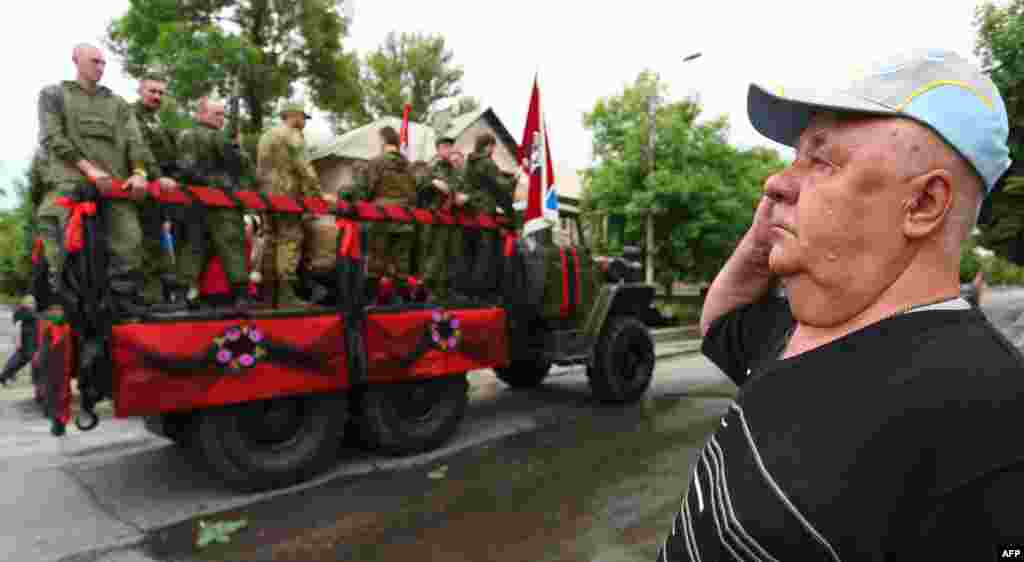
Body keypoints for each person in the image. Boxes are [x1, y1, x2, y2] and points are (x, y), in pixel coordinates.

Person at [657, 49, 1024, 561]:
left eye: (821, 159)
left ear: (922, 204)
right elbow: (720, 319)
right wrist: (773, 228)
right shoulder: (802, 328)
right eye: (794, 158)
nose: (776, 182)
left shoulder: (992, 420)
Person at [36, 43, 167, 316]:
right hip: (71, 185)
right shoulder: (54, 95)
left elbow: (135, 143)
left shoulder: (117, 104)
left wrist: (140, 173)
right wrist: (89, 169)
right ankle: (66, 308)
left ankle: (121, 307)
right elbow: (52, 137)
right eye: (95, 61)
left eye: (103, 63)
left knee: (130, 243)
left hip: (115, 187)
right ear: (76, 61)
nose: (100, 67)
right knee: (65, 248)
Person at [175, 96, 253, 308]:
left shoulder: (219, 137)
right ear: (201, 114)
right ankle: (184, 296)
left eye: (223, 114)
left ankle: (240, 296)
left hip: (216, 201)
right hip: (208, 201)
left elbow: (241, 166)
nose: (222, 118)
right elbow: (188, 167)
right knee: (199, 248)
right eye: (217, 114)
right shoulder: (191, 136)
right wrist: (217, 185)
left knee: (225, 248)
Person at [256, 102, 321, 307]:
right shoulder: (293, 135)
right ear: (294, 115)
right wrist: (316, 196)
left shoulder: (266, 136)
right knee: (290, 240)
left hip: (266, 197)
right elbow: (305, 168)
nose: (304, 123)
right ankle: (286, 296)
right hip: (287, 196)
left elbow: (260, 168)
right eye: (303, 118)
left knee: (270, 241)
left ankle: (268, 296)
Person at [133, 74, 183, 307]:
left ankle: (157, 296)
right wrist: (157, 176)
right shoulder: (132, 116)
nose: (157, 96)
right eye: (152, 91)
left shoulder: (157, 121)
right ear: (140, 91)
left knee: (157, 241)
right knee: (145, 244)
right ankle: (147, 299)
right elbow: (139, 150)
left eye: (161, 93)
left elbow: (169, 153)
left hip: (160, 194)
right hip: (142, 187)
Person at [353, 126, 419, 289]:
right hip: (405, 219)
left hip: (381, 218)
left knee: (376, 262)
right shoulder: (409, 166)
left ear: (383, 140)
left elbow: (364, 191)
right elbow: (415, 195)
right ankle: (401, 306)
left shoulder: (376, 163)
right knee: (401, 265)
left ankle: (371, 303)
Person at [463, 133, 521, 302]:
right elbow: (502, 185)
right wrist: (516, 177)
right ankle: (480, 293)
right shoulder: (487, 163)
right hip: (485, 211)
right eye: (493, 146)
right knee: (485, 252)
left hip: (471, 210)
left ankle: (469, 291)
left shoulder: (470, 163)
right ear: (488, 146)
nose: (494, 149)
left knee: (472, 252)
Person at [419, 136, 471, 304]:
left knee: (451, 256)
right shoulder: (432, 167)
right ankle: (429, 293)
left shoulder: (455, 171)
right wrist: (432, 183)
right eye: (445, 146)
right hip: (435, 217)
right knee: (435, 256)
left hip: (452, 218)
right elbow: (419, 186)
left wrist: (463, 197)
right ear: (439, 149)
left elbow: (460, 189)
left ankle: (445, 292)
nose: (448, 149)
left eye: (450, 146)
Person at [0, 296, 38, 386]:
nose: (33, 305)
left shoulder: (25, 312)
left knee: (23, 359)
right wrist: (17, 340)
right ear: (25, 303)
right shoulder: (25, 312)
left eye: (33, 303)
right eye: (30, 303)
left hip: (29, 341)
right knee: (22, 358)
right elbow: (16, 326)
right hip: (26, 341)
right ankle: (5, 375)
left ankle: (6, 375)